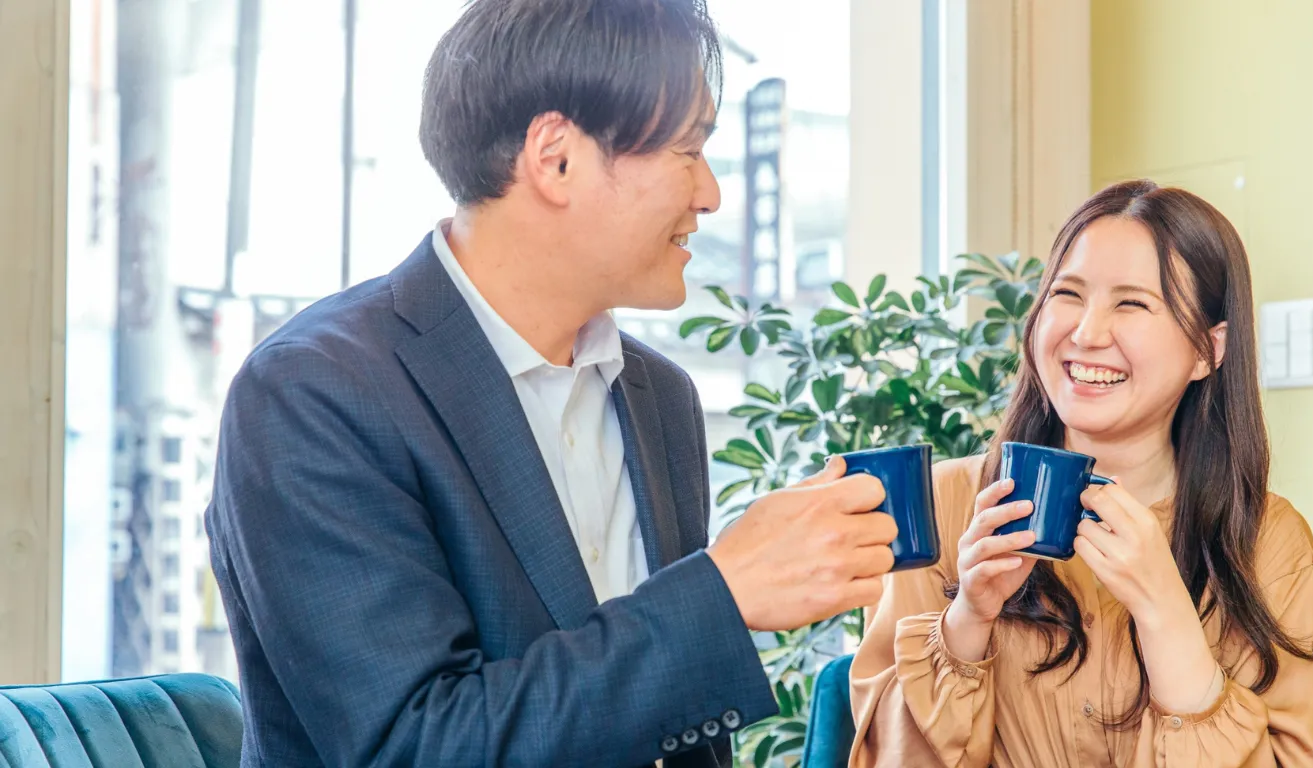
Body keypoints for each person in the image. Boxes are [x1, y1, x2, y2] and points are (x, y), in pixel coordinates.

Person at [204, 1, 899, 766]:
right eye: (689, 149)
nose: (710, 193)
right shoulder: (312, 394)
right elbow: (416, 746)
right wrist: (726, 592)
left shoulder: (660, 396)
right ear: (556, 157)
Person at [848, 180, 1313, 767]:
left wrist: (1165, 613)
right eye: (1067, 294)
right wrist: (967, 620)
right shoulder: (944, 503)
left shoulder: (1269, 543)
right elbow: (886, 755)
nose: (1085, 333)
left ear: (1209, 349)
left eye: (1132, 304)